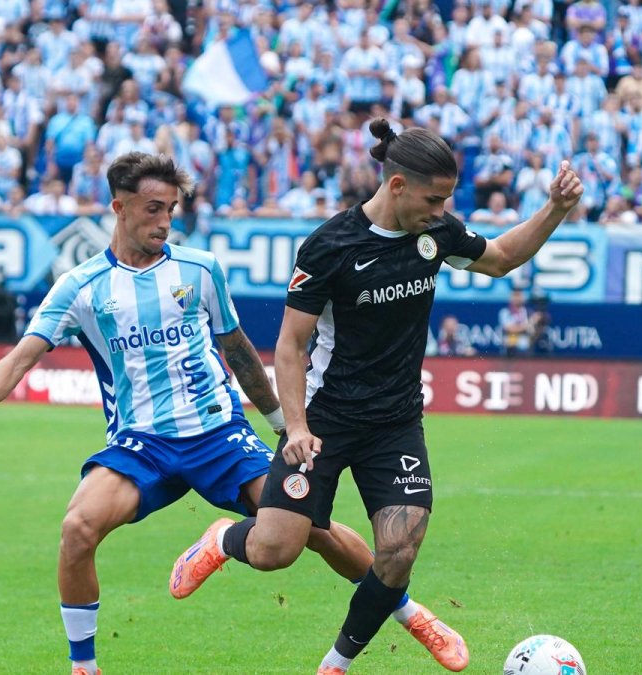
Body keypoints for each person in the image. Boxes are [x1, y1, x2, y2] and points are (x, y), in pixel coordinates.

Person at [0, 152, 453, 675]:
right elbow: (22, 356)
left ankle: (407, 611)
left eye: (171, 209)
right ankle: (83, 666)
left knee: (305, 530)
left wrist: (281, 425)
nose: (165, 221)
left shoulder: (199, 268)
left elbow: (240, 352)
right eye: (153, 209)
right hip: (141, 445)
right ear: (118, 208)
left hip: (219, 435)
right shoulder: (81, 286)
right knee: (77, 529)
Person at [169, 120, 582, 674]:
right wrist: (296, 427)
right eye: (433, 199)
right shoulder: (330, 246)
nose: (441, 211)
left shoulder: (436, 234)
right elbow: (289, 346)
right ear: (397, 186)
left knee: (399, 551)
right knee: (274, 551)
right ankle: (224, 540)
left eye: (446, 200)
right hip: (325, 419)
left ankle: (335, 665)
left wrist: (556, 208)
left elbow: (502, 256)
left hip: (395, 423)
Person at [499, 288, 536, 356]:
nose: (517, 299)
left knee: (524, 344)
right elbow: (508, 328)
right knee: (509, 342)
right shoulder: (505, 312)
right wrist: (524, 326)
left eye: (519, 296)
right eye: (515, 296)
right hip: (510, 337)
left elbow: (531, 328)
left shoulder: (527, 311)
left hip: (523, 338)